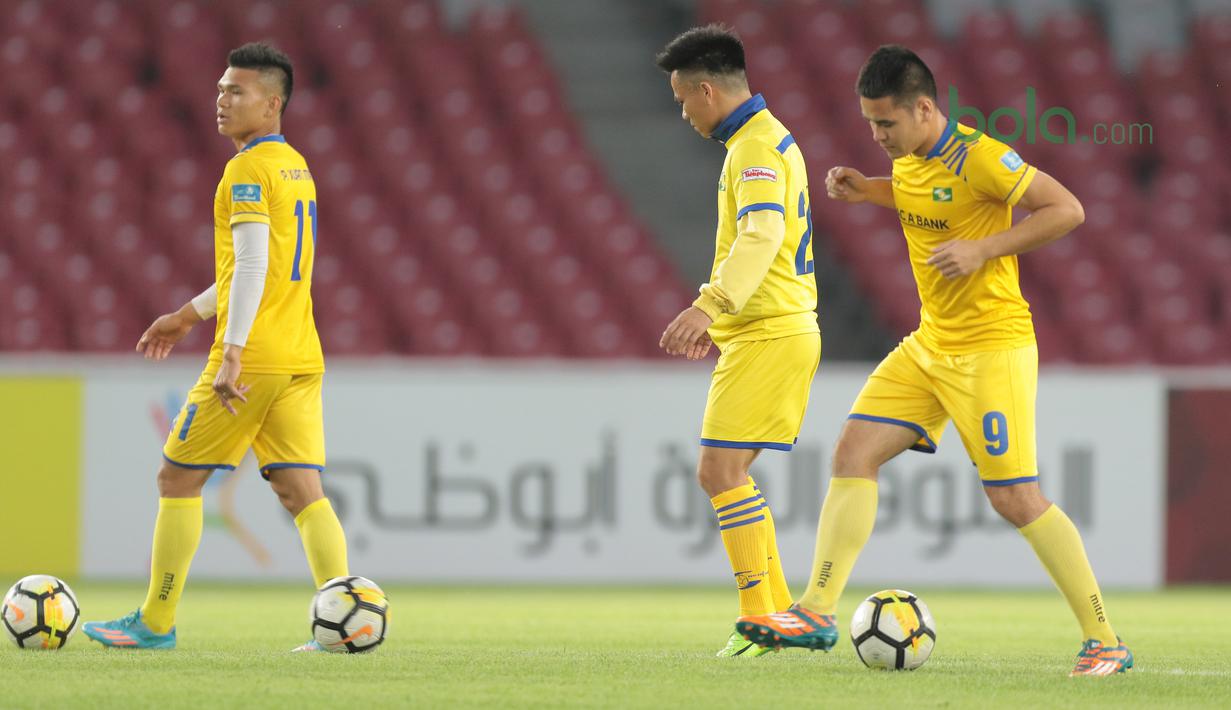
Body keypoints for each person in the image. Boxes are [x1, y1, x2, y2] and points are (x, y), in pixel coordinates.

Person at [734, 45, 1132, 676]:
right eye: (869, 123)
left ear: (925, 108)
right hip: (929, 344)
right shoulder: (913, 161)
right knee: (852, 452)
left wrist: (985, 249)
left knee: (1016, 500)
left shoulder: (982, 157)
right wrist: (871, 191)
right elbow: (927, 199)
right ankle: (815, 609)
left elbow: (1067, 209)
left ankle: (1104, 638)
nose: (876, 134)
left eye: (885, 123)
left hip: (991, 349)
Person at [82, 42, 348, 653]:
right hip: (301, 352)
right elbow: (264, 266)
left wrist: (229, 349)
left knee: (176, 478)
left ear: (273, 102)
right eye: (221, 89)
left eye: (238, 91)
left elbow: (253, 264)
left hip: (252, 355)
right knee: (301, 490)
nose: (221, 101)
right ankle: (348, 618)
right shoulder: (294, 166)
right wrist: (186, 314)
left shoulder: (247, 170)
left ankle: (154, 621)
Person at [655, 25, 822, 658]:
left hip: (769, 328)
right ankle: (777, 618)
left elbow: (762, 234)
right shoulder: (768, 137)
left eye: (681, 99)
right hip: (772, 328)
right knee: (727, 471)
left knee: (719, 470)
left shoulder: (754, 147)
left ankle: (761, 619)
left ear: (705, 89)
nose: (681, 112)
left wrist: (710, 305)